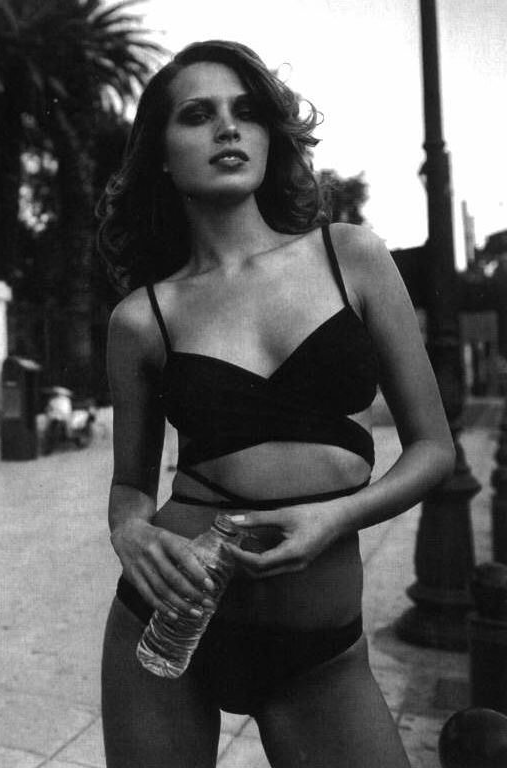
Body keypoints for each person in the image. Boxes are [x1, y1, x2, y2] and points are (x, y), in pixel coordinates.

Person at [95, 40, 454, 767]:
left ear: (269, 135)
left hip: (319, 654)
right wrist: (129, 531)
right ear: (161, 154)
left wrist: (337, 517)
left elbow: (435, 449)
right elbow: (131, 485)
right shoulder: (142, 318)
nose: (228, 128)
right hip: (166, 624)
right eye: (198, 115)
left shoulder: (350, 257)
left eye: (246, 112)